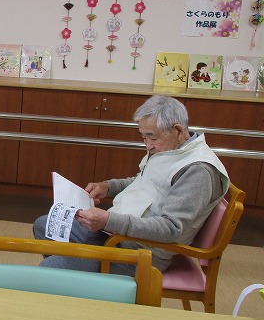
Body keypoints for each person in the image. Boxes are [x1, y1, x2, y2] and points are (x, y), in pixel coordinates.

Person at [33, 95, 230, 275]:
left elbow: (171, 228)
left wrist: (108, 221)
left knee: (51, 269)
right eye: (143, 137)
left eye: (152, 137)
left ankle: (80, 278)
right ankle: (79, 279)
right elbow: (144, 181)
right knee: (45, 225)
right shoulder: (171, 150)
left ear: (178, 130)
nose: (148, 145)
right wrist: (108, 187)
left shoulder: (197, 171)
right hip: (119, 235)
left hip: (143, 252)